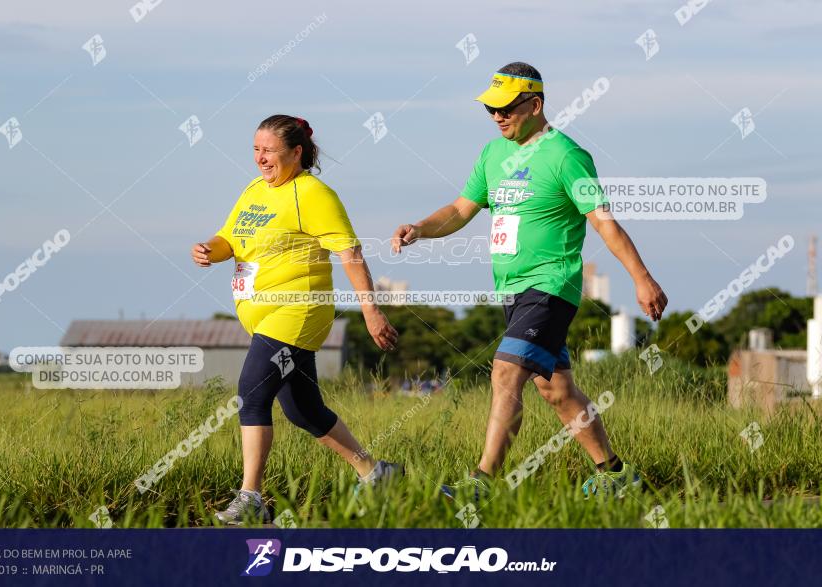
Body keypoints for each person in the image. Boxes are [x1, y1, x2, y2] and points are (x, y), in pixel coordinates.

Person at [391, 63, 668, 499]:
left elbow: (604, 223)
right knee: (556, 390)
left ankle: (480, 486)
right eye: (490, 110)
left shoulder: (566, 155)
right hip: (513, 291)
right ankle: (615, 475)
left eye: (506, 109)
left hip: (552, 286)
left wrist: (642, 278)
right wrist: (421, 228)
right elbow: (461, 210)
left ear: (535, 105)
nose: (497, 117)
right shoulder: (492, 155)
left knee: (505, 373)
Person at [193, 114, 402, 524]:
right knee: (302, 409)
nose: (260, 158)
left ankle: (251, 498)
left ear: (296, 152)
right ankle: (375, 474)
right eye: (256, 149)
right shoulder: (255, 190)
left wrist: (371, 311)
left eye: (268, 151)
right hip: (263, 314)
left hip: (298, 311)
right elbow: (231, 239)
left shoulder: (313, 194)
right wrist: (209, 250)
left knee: (252, 392)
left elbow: (350, 254)